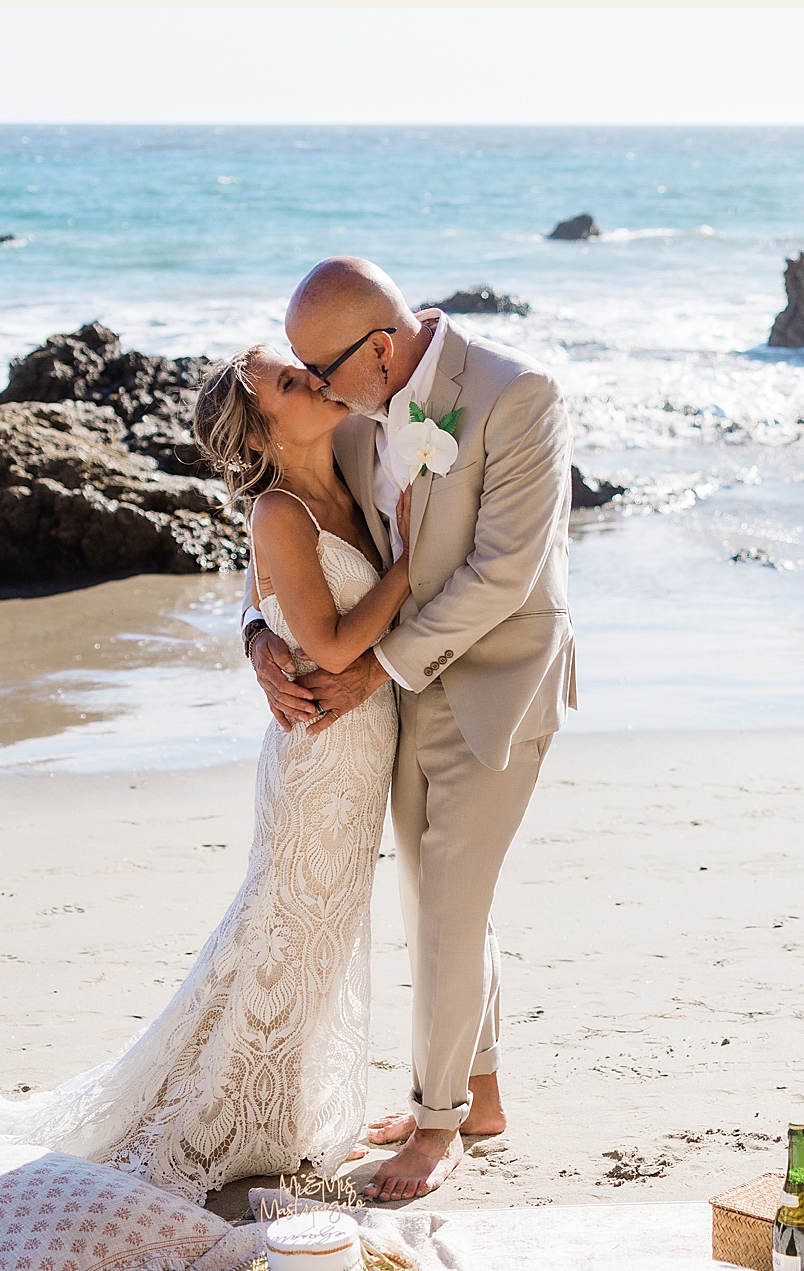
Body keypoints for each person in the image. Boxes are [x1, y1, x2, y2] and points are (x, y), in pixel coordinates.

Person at [0, 343, 414, 1203]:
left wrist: (255, 629)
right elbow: (338, 644)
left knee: (320, 932)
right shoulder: (280, 508)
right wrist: (418, 565)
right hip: (319, 753)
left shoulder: (352, 467)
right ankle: (226, 1117)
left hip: (357, 748)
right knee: (285, 929)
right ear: (265, 430)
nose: (313, 377)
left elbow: (273, 594)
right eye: (288, 381)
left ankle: (279, 1105)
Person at [244, 257, 575, 1201]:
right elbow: (288, 522)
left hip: (497, 683)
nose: (313, 389)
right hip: (395, 691)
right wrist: (255, 634)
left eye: (322, 371)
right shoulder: (353, 403)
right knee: (437, 891)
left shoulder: (519, 395)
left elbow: (504, 573)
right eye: (301, 376)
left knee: (449, 903)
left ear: (380, 348)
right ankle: (482, 1093)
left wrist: (371, 669)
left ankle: (436, 1130)